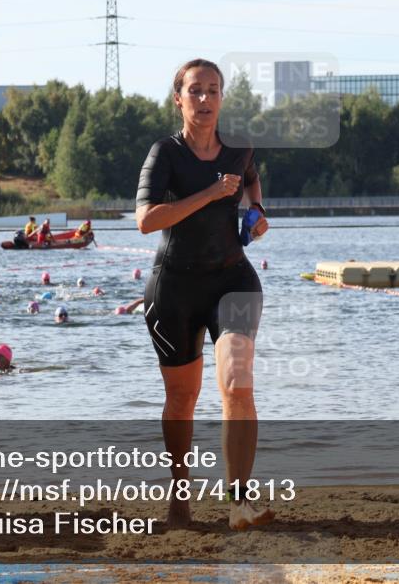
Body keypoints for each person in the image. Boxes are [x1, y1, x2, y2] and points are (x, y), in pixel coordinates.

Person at [135, 58, 271, 531]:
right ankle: (179, 495)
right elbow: (147, 220)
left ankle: (239, 503)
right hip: (173, 287)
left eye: (213, 90)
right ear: (179, 99)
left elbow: (250, 177)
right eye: (195, 91)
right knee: (182, 399)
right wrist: (210, 195)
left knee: (236, 382)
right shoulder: (165, 154)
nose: (205, 99)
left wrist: (255, 210)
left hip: (232, 279)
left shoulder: (239, 147)